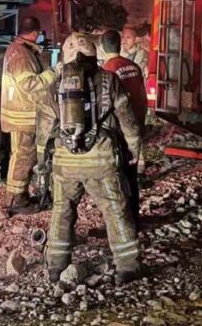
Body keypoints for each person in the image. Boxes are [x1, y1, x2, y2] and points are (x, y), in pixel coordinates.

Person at [39, 32, 143, 284]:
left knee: (62, 210)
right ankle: (127, 266)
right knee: (115, 210)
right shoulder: (109, 80)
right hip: (102, 162)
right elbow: (128, 121)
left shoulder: (54, 86)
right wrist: (135, 150)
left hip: (65, 164)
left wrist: (42, 164)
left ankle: (56, 266)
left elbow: (43, 132)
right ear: (94, 52)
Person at [0, 16, 58, 216]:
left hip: (21, 115)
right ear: (35, 33)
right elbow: (30, 85)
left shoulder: (18, 50)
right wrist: (54, 72)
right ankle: (15, 199)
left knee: (23, 157)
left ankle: (18, 195)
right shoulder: (22, 55)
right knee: (23, 157)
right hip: (23, 117)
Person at [99, 29, 146, 229]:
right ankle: (135, 219)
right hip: (135, 127)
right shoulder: (133, 66)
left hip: (117, 131)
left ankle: (121, 225)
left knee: (115, 178)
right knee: (131, 175)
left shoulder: (107, 70)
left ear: (102, 47)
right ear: (119, 44)